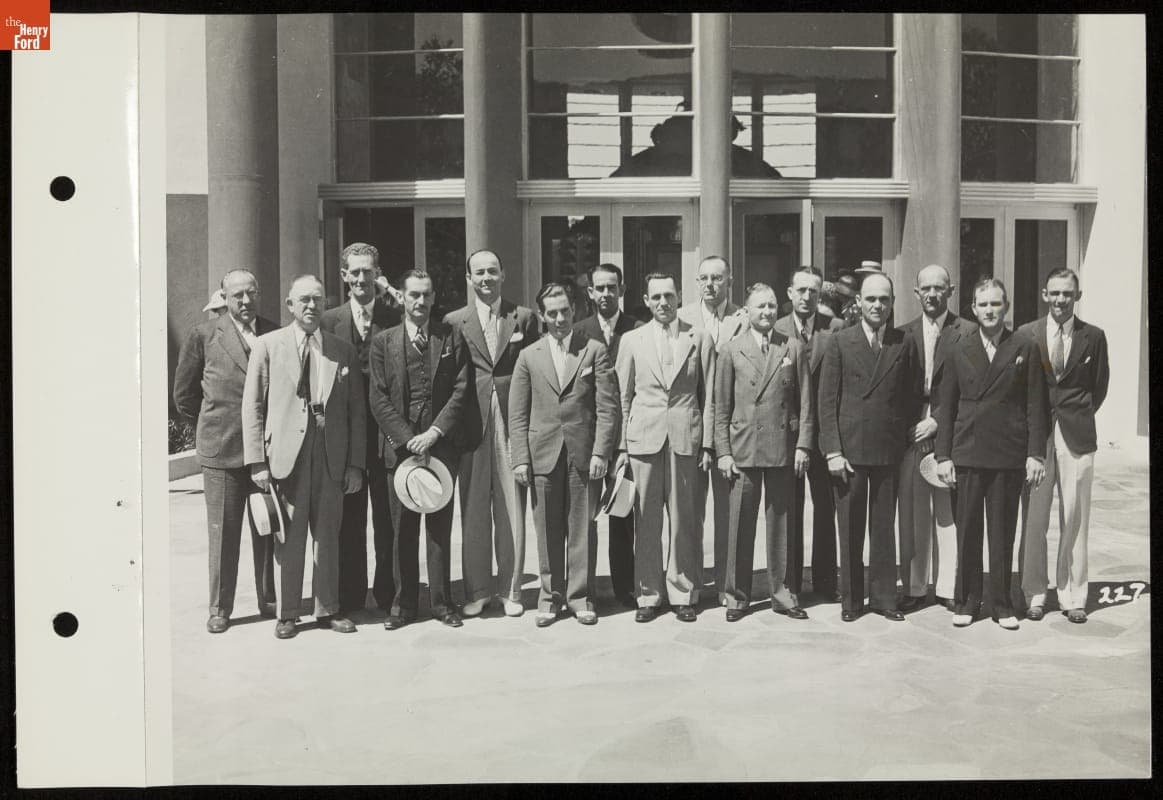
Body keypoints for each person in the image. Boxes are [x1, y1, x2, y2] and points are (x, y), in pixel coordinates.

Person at [242, 275, 366, 639]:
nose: (311, 306)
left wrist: (355, 463)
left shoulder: (342, 350)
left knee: (328, 535)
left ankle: (328, 608)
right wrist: (257, 463)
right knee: (289, 537)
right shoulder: (268, 346)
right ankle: (288, 613)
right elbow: (253, 406)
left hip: (331, 454)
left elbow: (356, 412)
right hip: (286, 455)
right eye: (304, 300)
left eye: (317, 299)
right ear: (289, 305)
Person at [934, 278, 1048, 630]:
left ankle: (1001, 603)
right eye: (983, 304)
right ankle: (967, 600)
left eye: (996, 304)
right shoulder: (957, 347)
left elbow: (1036, 406)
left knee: (1002, 532)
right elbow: (945, 405)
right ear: (973, 308)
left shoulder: (1024, 346)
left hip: (1007, 454)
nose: (990, 311)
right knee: (967, 530)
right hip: (966, 452)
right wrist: (943, 456)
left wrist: (1035, 454)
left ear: (1007, 307)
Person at [173, 269, 277, 633]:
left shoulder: (274, 332)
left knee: (267, 528)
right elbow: (183, 395)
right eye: (237, 296)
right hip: (223, 450)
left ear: (258, 293)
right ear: (224, 298)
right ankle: (221, 607)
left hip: (265, 452)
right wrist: (210, 425)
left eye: (251, 293)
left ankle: (269, 598)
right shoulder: (204, 335)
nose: (245, 302)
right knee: (223, 534)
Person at [510, 283, 619, 627]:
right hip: (542, 453)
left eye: (565, 311)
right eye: (552, 313)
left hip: (583, 455)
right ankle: (549, 597)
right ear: (542, 316)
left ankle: (580, 596)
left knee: (582, 528)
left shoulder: (594, 350)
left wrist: (602, 451)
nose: (559, 319)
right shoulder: (529, 356)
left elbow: (607, 407)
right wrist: (521, 458)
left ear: (575, 310)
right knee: (546, 529)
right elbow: (518, 412)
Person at [368, 270, 470, 629]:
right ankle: (403, 606)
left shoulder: (450, 336)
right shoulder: (383, 342)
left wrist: (434, 433)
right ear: (402, 297)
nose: (420, 302)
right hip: (399, 450)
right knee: (402, 530)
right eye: (413, 294)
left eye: (426, 295)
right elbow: (378, 397)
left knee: (439, 528)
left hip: (440, 447)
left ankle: (442, 603)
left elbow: (461, 390)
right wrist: (405, 437)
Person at [818, 273, 920, 622]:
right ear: (858, 302)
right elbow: (827, 401)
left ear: (892, 304)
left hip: (888, 450)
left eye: (885, 299)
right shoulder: (840, 341)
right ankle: (852, 602)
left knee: (882, 527)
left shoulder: (902, 342)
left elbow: (910, 395)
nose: (878, 305)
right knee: (849, 528)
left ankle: (883, 599)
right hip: (848, 452)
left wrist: (900, 435)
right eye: (872, 299)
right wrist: (832, 450)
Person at [614, 272, 716, 623]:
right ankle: (649, 593)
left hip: (686, 438)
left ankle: (682, 591)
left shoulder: (698, 337)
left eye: (669, 296)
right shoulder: (631, 340)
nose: (663, 303)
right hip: (644, 439)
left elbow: (710, 395)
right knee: (646, 520)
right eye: (656, 297)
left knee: (684, 519)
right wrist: (622, 447)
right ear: (645, 300)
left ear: (679, 297)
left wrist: (709, 444)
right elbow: (622, 397)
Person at [443, 250, 540, 617]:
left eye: (492, 271)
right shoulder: (454, 320)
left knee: (511, 506)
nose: (486, 278)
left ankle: (511, 590)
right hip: (471, 421)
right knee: (473, 509)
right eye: (479, 272)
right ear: (469, 279)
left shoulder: (524, 318)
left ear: (504, 275)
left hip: (511, 419)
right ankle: (477, 590)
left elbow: (533, 371)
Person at [715, 283, 814, 622]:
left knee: (782, 526)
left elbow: (806, 403)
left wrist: (803, 445)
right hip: (743, 450)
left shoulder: (793, 347)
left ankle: (782, 594)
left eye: (772, 306)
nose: (768, 312)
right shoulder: (730, 351)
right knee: (740, 526)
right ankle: (737, 597)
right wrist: (723, 453)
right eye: (760, 307)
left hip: (782, 450)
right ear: (747, 310)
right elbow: (721, 408)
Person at [1019, 268, 1109, 624]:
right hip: (1037, 437)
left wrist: (1077, 414)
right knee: (1034, 518)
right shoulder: (1028, 334)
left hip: (1076, 435)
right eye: (1054, 293)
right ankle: (1035, 593)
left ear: (1078, 296)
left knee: (1075, 516)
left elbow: (1098, 386)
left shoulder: (1094, 337)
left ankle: (1073, 594)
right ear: (1044, 294)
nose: (1060, 300)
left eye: (1067, 294)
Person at [319, 243, 402, 618]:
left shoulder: (395, 315)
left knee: (387, 519)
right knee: (349, 520)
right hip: (345, 438)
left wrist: (394, 297)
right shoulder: (327, 320)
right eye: (354, 272)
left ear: (378, 274)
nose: (361, 279)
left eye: (368, 271)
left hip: (385, 436)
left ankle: (389, 594)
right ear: (344, 276)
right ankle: (350, 597)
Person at [896, 265, 976, 613]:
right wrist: (915, 423)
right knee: (913, 511)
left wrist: (939, 422)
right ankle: (914, 586)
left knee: (948, 512)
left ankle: (947, 587)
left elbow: (973, 390)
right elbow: (894, 391)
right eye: (925, 288)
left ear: (951, 290)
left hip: (953, 431)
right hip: (912, 431)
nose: (932, 294)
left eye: (939, 288)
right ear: (916, 293)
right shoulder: (901, 334)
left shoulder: (968, 332)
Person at [677, 255, 746, 605]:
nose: (710, 284)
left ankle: (725, 584)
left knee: (727, 513)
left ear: (729, 281)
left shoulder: (743, 318)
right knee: (689, 512)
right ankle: (689, 584)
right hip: (692, 427)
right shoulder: (681, 318)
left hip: (730, 431)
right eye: (703, 278)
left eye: (717, 278)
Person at [573, 262, 643, 608]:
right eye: (599, 288)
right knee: (585, 517)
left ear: (622, 289)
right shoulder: (578, 332)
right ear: (590, 292)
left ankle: (625, 587)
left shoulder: (638, 329)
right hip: (590, 438)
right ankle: (582, 589)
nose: (605, 294)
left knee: (622, 513)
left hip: (628, 438)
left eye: (611, 287)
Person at [773, 266, 844, 602]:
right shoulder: (776, 329)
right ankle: (792, 582)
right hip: (788, 434)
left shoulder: (836, 330)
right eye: (800, 290)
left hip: (825, 433)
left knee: (825, 507)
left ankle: (827, 580)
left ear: (820, 295)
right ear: (789, 293)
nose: (806, 297)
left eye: (813, 291)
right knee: (790, 507)